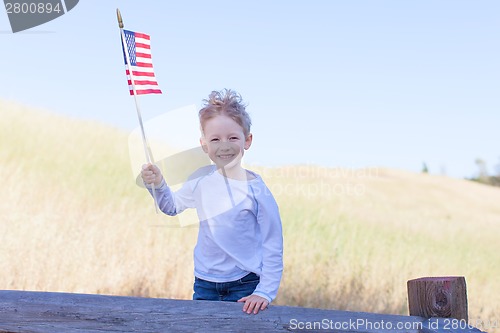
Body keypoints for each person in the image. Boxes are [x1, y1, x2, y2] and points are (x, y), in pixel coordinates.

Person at [141, 89, 283, 315]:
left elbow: (273, 244)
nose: (223, 145)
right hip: (205, 283)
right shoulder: (200, 180)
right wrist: (158, 184)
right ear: (205, 144)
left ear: (247, 140)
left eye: (233, 138)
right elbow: (171, 206)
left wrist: (264, 292)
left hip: (245, 284)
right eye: (215, 139)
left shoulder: (257, 191)